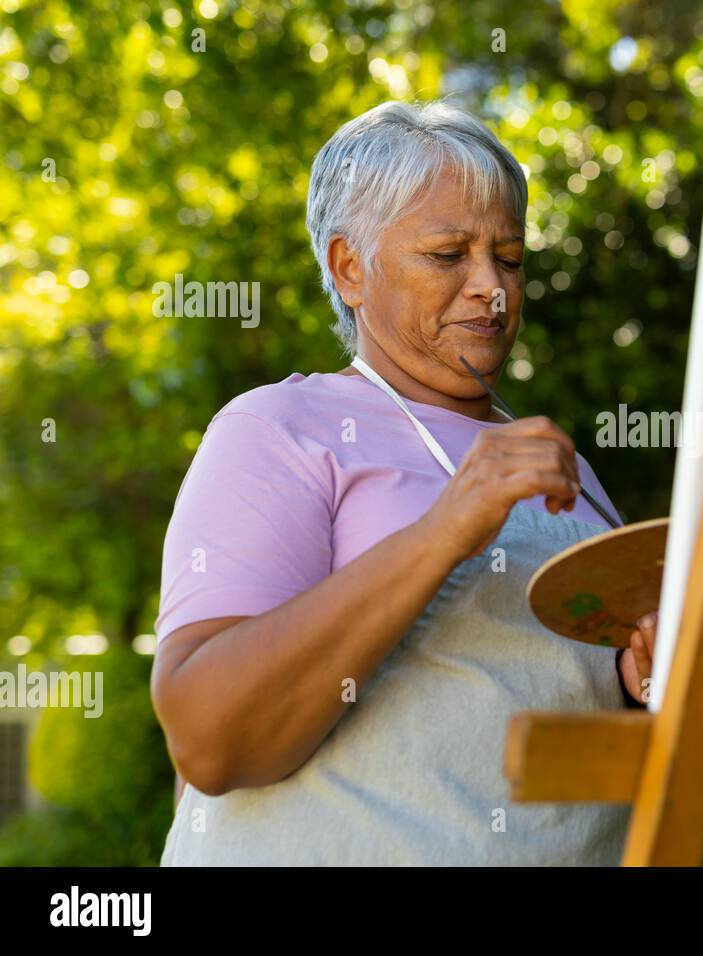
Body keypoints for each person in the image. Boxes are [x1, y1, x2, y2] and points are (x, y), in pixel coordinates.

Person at [150, 99, 657, 865]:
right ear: (351, 268)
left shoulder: (571, 476)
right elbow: (210, 739)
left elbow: (551, 707)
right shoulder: (281, 429)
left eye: (510, 258)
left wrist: (632, 676)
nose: (491, 287)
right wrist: (443, 530)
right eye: (449, 255)